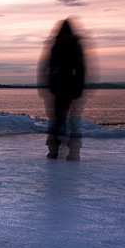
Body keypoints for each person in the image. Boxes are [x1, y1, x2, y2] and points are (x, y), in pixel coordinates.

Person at [37, 18, 86, 160]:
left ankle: (54, 150)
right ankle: (72, 151)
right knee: (71, 120)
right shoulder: (73, 45)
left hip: (58, 86)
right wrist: (79, 87)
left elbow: (45, 67)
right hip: (69, 86)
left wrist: (46, 85)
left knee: (58, 119)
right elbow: (81, 68)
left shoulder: (57, 45)